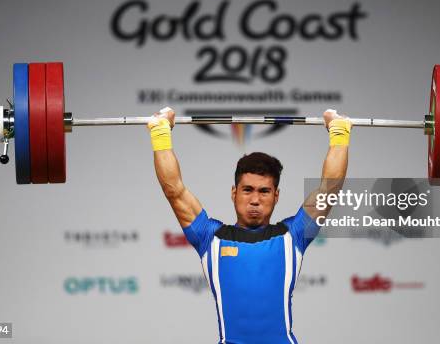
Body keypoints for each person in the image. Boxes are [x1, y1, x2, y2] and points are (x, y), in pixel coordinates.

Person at [147, 107, 351, 344]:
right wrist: (161, 132)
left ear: (276, 196)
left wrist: (339, 133)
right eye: (247, 190)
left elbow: (330, 189)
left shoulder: (293, 236)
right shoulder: (209, 237)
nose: (255, 199)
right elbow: (174, 190)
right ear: (234, 193)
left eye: (264, 191)